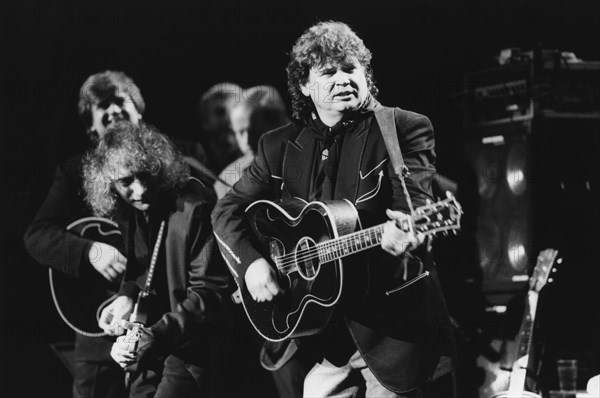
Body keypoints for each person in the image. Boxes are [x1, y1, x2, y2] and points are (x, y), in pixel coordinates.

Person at [211, 21, 455, 398]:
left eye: (351, 69)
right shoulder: (278, 145)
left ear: (365, 74)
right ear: (305, 85)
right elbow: (226, 211)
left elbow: (415, 201)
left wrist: (408, 232)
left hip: (395, 338)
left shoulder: (402, 127)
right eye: (329, 72)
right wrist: (251, 264)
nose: (343, 79)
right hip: (325, 341)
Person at [82, 122, 230, 397]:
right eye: (126, 182)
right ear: (109, 183)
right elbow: (140, 267)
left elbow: (210, 294)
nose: (140, 191)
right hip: (157, 341)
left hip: (192, 348)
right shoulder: (131, 213)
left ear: (157, 168)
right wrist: (125, 296)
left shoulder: (193, 209)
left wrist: (156, 335)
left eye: (145, 175)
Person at [23, 70, 145, 398]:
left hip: (164, 327)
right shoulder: (74, 171)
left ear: (139, 110)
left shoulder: (184, 156)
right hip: (100, 337)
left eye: (121, 100)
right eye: (102, 106)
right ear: (91, 125)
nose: (114, 110)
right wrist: (90, 251)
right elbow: (36, 235)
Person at [214, 85, 290, 198]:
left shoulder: (311, 158)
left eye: (255, 132)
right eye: (239, 133)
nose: (247, 141)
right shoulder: (227, 178)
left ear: (279, 124)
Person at [198, 82, 244, 175]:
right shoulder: (196, 166)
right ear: (205, 120)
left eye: (234, 111)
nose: (229, 119)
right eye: (220, 112)